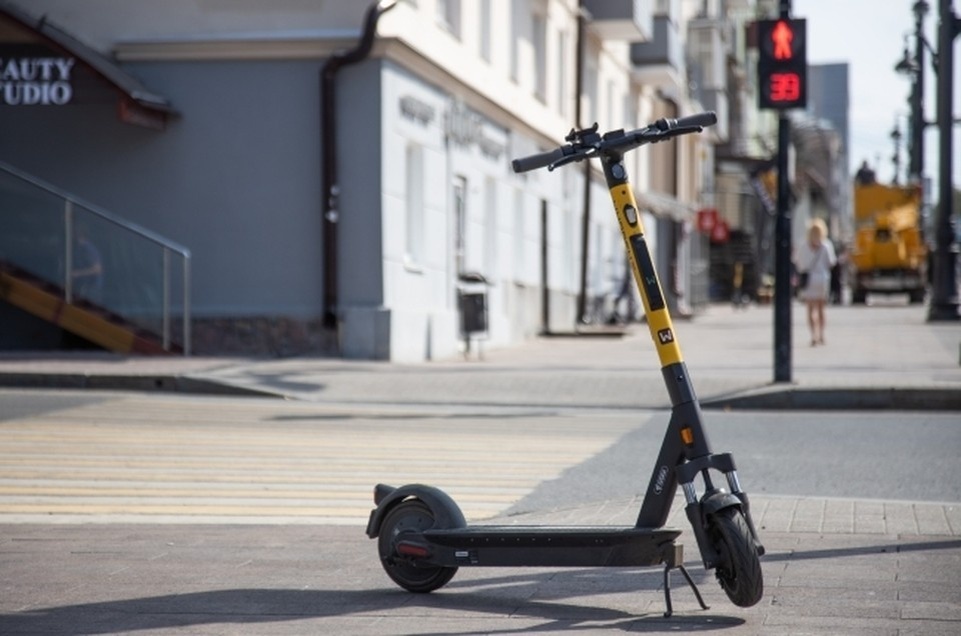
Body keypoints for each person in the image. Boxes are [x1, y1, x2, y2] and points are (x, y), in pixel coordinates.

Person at [796, 218, 836, 346]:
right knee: (821, 309)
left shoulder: (803, 245)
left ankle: (813, 335)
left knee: (810, 309)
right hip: (822, 278)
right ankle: (822, 335)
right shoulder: (826, 245)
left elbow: (799, 263)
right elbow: (831, 262)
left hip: (809, 280)